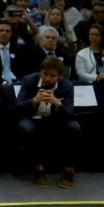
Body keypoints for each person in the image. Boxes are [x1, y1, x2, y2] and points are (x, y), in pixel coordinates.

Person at [16, 57, 80, 188]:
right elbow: (18, 107)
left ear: (59, 76)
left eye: (52, 76)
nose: (48, 79)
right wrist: (34, 101)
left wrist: (57, 103)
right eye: (45, 74)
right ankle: (38, 170)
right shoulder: (29, 81)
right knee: (26, 127)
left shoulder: (67, 86)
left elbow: (69, 114)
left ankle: (69, 170)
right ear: (40, 71)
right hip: (33, 118)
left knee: (74, 127)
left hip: (55, 120)